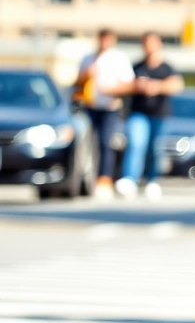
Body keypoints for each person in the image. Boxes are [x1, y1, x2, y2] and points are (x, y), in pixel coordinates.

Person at [118, 32, 183, 199]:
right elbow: (122, 85)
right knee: (135, 143)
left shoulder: (166, 68)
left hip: (158, 114)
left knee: (155, 148)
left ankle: (152, 180)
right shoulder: (137, 66)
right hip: (138, 113)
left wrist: (157, 86)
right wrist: (137, 86)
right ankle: (129, 179)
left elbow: (177, 85)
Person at [74, 29, 133, 198]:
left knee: (106, 142)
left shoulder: (118, 59)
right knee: (89, 142)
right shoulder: (88, 58)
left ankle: (104, 179)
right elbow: (77, 81)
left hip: (110, 106)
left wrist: (112, 90)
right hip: (90, 106)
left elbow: (129, 84)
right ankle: (88, 178)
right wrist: (87, 74)